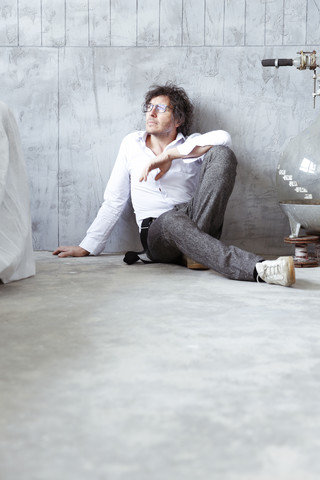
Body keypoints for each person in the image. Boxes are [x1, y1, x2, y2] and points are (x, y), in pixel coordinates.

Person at [53, 83, 295, 286]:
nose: (151, 114)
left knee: (222, 154)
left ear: (178, 118)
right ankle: (259, 269)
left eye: (160, 108)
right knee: (170, 219)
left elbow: (224, 138)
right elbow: (115, 200)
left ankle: (195, 254)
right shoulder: (131, 144)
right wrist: (88, 246)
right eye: (149, 108)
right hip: (157, 232)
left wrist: (170, 156)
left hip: (196, 220)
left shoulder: (192, 144)